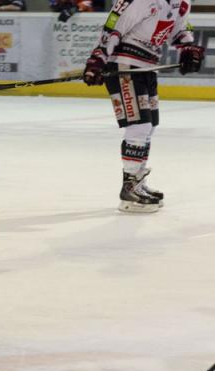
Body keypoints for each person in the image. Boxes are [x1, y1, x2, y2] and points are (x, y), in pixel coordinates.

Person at [83, 0, 204, 213]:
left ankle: (137, 182)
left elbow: (180, 27)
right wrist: (98, 58)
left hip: (148, 66)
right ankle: (129, 188)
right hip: (124, 64)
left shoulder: (182, 1)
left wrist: (188, 46)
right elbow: (113, 26)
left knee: (150, 126)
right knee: (139, 125)